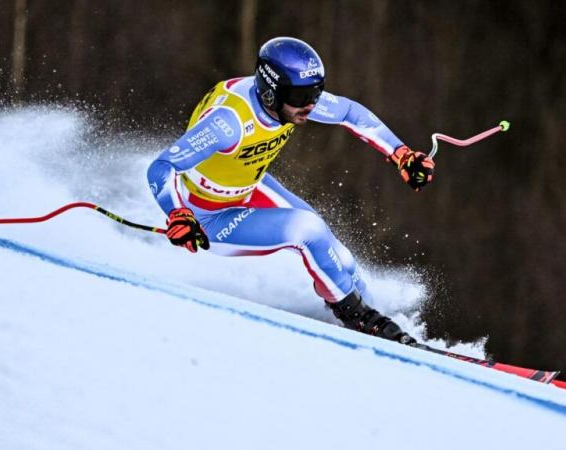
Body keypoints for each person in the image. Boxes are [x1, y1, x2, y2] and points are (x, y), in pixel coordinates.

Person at [147, 37, 435, 349]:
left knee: (339, 258)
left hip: (249, 187)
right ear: (271, 92)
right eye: (301, 96)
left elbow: (350, 113)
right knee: (306, 230)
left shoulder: (292, 101)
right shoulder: (228, 123)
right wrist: (179, 215)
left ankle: (382, 322)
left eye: (316, 92)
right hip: (208, 216)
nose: (310, 105)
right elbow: (161, 167)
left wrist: (401, 154)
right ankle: (358, 318)